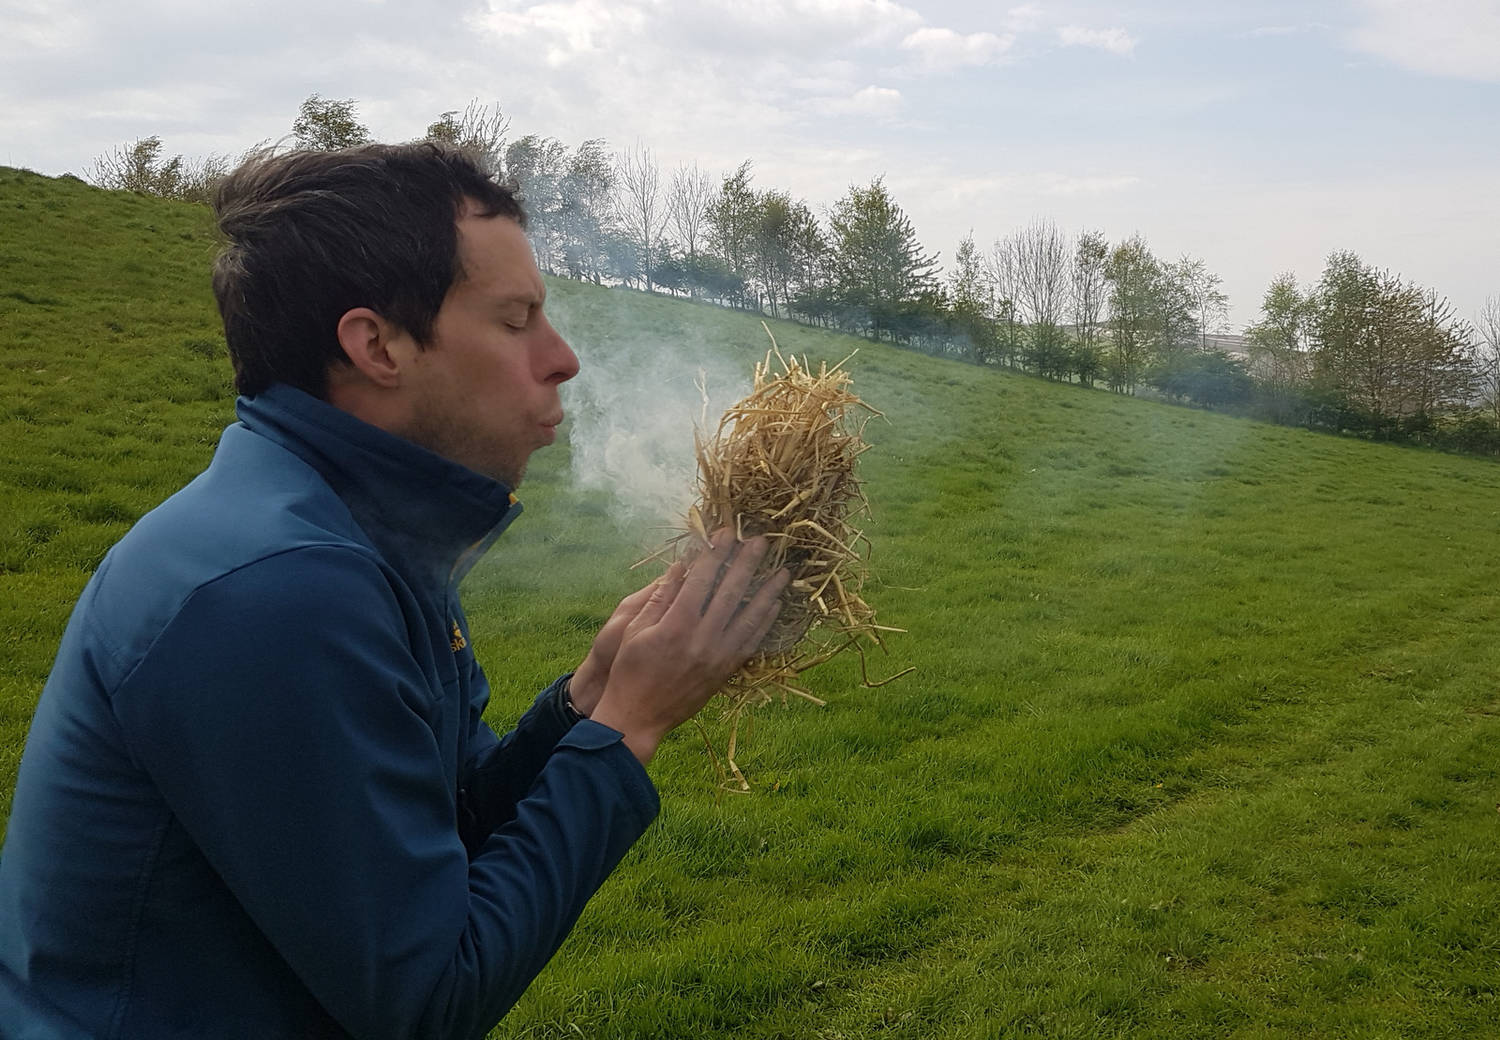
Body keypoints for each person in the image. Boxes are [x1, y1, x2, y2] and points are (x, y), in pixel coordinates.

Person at [0, 142, 788, 1040]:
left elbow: (428, 843)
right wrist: (629, 728)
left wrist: (582, 704)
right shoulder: (278, 592)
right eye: (517, 319)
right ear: (377, 345)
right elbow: (424, 1000)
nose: (562, 358)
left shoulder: (351, 532)